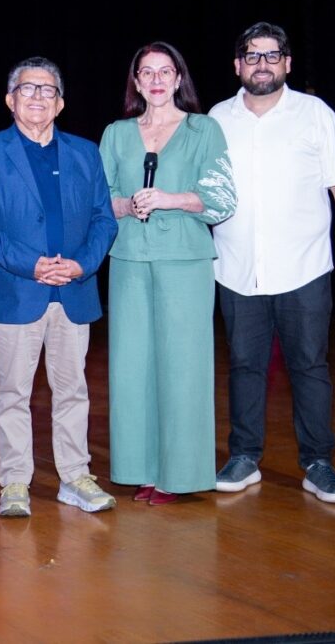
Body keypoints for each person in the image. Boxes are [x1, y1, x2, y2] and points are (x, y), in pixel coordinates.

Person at [210, 22, 335, 504]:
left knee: (309, 366)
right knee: (244, 367)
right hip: (236, 268)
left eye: (271, 55)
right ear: (238, 65)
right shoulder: (217, 117)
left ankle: (319, 463)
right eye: (252, 56)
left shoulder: (314, 114)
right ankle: (244, 456)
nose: (262, 64)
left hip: (303, 267)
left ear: (287, 63)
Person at [0, 57, 118, 517]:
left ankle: (75, 476)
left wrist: (81, 266)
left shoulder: (85, 153)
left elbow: (103, 220)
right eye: (27, 89)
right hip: (17, 289)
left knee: (73, 391)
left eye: (47, 90)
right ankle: (14, 482)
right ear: (9, 100)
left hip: (72, 290)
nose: (37, 97)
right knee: (13, 392)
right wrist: (31, 266)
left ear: (61, 102)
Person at [99, 42, 236, 505]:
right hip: (130, 259)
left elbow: (220, 198)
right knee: (131, 368)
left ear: (179, 79)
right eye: (146, 72)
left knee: (183, 367)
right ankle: (141, 469)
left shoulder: (204, 129)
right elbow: (103, 199)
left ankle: (179, 475)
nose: (156, 80)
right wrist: (126, 203)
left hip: (185, 260)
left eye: (165, 71)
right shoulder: (116, 134)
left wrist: (169, 199)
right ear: (136, 82)